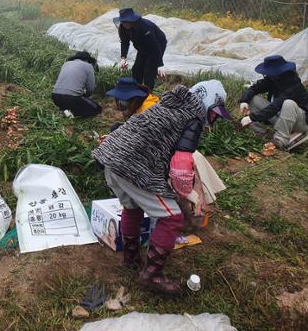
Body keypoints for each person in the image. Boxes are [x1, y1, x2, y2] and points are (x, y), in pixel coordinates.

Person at [92, 82, 228, 295]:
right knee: (172, 217)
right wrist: (184, 195)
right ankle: (152, 274)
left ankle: (131, 259)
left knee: (133, 207)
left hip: (110, 158)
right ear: (209, 104)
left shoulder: (167, 106)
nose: (214, 119)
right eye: (215, 113)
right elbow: (181, 163)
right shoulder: (193, 119)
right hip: (133, 166)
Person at [240, 55, 308, 150]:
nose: (266, 75)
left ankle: (280, 140)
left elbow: (276, 106)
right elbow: (254, 88)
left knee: (288, 103)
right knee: (254, 99)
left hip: (301, 122)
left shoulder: (293, 84)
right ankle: (260, 134)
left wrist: (252, 117)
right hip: (282, 118)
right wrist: (244, 101)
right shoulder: (274, 79)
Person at [114, 7, 167, 90]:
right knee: (136, 70)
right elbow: (125, 42)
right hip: (142, 47)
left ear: (132, 20)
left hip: (157, 43)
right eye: (123, 21)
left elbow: (154, 45)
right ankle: (136, 92)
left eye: (126, 21)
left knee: (149, 71)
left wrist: (160, 64)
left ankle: (148, 95)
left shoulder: (145, 26)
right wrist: (123, 58)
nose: (124, 24)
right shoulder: (122, 28)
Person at [51, 51, 101, 117]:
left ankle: (65, 110)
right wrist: (86, 96)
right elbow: (91, 89)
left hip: (55, 97)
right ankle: (72, 114)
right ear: (87, 60)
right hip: (71, 98)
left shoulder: (66, 64)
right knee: (97, 108)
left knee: (72, 102)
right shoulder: (88, 66)